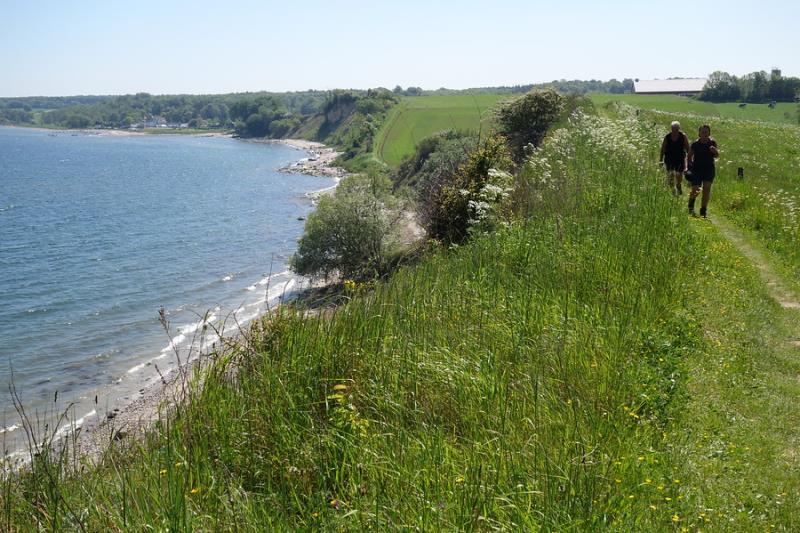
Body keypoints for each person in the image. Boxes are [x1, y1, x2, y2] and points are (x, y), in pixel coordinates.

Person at [685, 124, 719, 218]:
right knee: (695, 190)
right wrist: (688, 168)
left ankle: (703, 210)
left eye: (706, 132)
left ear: (709, 133)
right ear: (699, 133)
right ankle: (691, 206)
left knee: (706, 190)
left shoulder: (712, 143)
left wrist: (715, 151)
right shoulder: (695, 144)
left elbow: (717, 156)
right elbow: (689, 157)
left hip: (709, 169)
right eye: (702, 132)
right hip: (697, 170)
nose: (704, 134)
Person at [660, 121, 690, 195]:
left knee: (679, 174)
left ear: (679, 129)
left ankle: (678, 185)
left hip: (679, 158)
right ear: (671, 129)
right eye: (673, 129)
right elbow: (663, 148)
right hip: (669, 158)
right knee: (670, 174)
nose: (675, 130)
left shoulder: (683, 136)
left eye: (676, 129)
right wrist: (660, 159)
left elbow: (688, 148)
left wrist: (689, 159)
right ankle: (672, 191)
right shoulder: (667, 137)